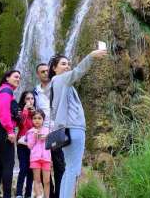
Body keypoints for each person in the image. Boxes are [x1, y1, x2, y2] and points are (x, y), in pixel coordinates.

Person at [48, 49, 108, 198]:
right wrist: (91, 56)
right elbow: (78, 72)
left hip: (67, 130)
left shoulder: (59, 84)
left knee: (69, 169)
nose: (67, 66)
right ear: (54, 68)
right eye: (63, 64)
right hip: (73, 129)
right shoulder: (61, 80)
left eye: (68, 64)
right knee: (73, 169)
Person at [34, 63, 64, 198]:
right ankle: (50, 194)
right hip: (42, 134)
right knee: (43, 166)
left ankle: (59, 194)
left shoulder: (57, 85)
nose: (46, 73)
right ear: (38, 74)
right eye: (42, 72)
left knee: (59, 164)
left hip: (56, 131)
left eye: (47, 71)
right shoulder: (35, 92)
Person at [0, 69, 21, 198]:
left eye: (19, 77)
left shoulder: (2, 90)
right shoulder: (6, 91)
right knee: (8, 164)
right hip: (1, 130)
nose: (18, 79)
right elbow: (4, 112)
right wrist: (10, 131)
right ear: (7, 78)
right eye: (15, 76)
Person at [26, 110, 52, 198]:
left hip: (46, 159)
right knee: (37, 180)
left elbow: (52, 144)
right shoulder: (30, 132)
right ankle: (38, 196)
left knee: (47, 181)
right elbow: (29, 146)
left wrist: (47, 138)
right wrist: (34, 136)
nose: (37, 120)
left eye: (39, 118)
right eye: (35, 118)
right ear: (32, 120)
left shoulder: (48, 131)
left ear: (43, 120)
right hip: (35, 159)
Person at [16, 91, 36, 198]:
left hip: (33, 145)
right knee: (23, 168)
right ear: (24, 100)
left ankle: (28, 194)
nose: (30, 101)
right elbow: (20, 123)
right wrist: (25, 111)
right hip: (22, 143)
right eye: (27, 99)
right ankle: (19, 193)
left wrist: (34, 113)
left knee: (31, 170)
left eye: (32, 98)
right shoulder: (20, 111)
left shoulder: (36, 113)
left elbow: (39, 127)